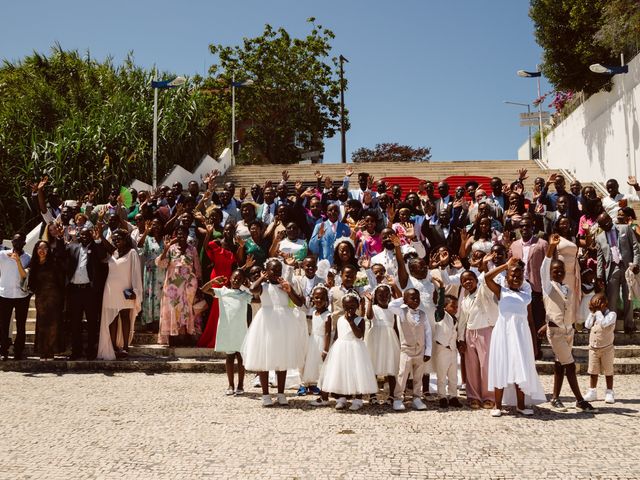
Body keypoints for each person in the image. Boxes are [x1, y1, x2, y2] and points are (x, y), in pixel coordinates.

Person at [540, 234, 596, 412]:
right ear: (550, 273)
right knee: (570, 365)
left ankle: (555, 398)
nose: (558, 273)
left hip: (567, 330)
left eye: (561, 271)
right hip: (556, 332)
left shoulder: (567, 288)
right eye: (555, 271)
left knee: (560, 363)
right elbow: (545, 266)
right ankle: (580, 399)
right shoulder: (548, 286)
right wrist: (551, 247)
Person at [485, 257, 546, 417]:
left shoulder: (527, 295)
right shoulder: (501, 291)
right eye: (512, 275)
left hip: (521, 335)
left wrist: (534, 344)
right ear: (507, 277)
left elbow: (531, 320)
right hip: (503, 333)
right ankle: (497, 405)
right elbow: (487, 278)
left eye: (519, 276)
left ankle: (521, 405)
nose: (516, 278)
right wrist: (506, 265)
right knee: (501, 365)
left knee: (521, 368)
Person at [242, 258, 305, 407]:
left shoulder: (285, 286)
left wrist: (289, 290)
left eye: (278, 270)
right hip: (266, 325)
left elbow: (300, 302)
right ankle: (265, 394)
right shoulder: (263, 286)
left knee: (281, 359)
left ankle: (281, 394)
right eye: (272, 270)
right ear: (267, 271)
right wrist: (262, 277)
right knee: (264, 359)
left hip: (283, 324)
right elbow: (252, 289)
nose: (276, 273)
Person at [317, 292, 378, 411]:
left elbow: (359, 335)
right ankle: (342, 398)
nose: (349, 309)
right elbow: (337, 336)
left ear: (357, 306)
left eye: (352, 306)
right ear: (343, 306)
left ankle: (358, 399)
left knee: (357, 373)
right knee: (342, 373)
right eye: (346, 306)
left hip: (355, 349)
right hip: (341, 349)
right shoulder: (340, 319)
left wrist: (351, 322)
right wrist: (332, 350)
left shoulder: (359, 320)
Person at [202, 269, 252, 396]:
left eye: (239, 279)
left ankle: (241, 384)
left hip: (240, 330)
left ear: (243, 281)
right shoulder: (223, 291)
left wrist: (248, 286)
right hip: (228, 329)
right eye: (234, 278)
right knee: (229, 357)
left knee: (241, 358)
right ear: (230, 278)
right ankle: (231, 384)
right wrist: (213, 282)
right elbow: (204, 289)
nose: (236, 280)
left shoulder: (245, 294)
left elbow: (256, 296)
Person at [97, 229, 142, 360]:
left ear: (125, 239)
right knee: (112, 318)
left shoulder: (132, 253)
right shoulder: (113, 252)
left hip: (126, 290)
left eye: (119, 239)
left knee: (125, 317)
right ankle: (113, 347)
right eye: (114, 239)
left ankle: (126, 347)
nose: (116, 241)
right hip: (110, 289)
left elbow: (136, 272)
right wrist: (100, 236)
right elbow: (104, 246)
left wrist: (136, 290)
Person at [64, 226, 108, 360]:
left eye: (87, 235)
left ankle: (90, 351)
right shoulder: (73, 247)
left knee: (92, 323)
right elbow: (60, 253)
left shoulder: (95, 247)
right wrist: (61, 238)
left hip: (90, 291)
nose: (84, 237)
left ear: (91, 236)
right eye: (82, 235)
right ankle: (76, 351)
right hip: (75, 290)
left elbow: (102, 256)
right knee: (75, 323)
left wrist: (97, 241)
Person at [388, 288, 435, 411]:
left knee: (418, 375)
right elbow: (391, 305)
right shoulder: (402, 312)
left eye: (417, 298)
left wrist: (428, 351)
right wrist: (402, 299)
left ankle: (416, 398)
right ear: (406, 300)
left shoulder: (422, 314)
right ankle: (398, 398)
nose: (415, 300)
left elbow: (428, 333)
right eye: (412, 298)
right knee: (402, 374)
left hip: (420, 349)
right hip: (406, 350)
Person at [156, 225, 202, 345]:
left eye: (183, 233)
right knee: (173, 310)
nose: (181, 236)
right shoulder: (171, 249)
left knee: (186, 310)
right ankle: (173, 338)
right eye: (178, 233)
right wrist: (165, 249)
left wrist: (198, 285)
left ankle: (185, 337)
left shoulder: (192, 249)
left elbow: (197, 268)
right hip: (173, 287)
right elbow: (161, 264)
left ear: (187, 235)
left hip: (189, 286)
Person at [595, 212, 640, 333]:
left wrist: (635, 264)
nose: (608, 224)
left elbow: (636, 247)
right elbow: (600, 259)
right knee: (612, 299)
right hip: (612, 269)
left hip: (627, 268)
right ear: (600, 226)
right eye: (604, 224)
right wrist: (599, 276)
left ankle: (629, 325)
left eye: (608, 221)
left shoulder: (625, 228)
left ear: (610, 218)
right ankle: (611, 327)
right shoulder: (599, 238)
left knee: (628, 297)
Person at [198, 223, 240, 348]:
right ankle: (213, 339)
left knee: (225, 310)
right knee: (217, 309)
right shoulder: (217, 242)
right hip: (216, 279)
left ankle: (222, 337)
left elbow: (236, 263)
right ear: (224, 230)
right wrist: (208, 234)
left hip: (228, 280)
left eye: (231, 230)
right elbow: (205, 248)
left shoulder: (234, 246)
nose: (228, 231)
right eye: (227, 229)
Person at [458, 270, 496, 409]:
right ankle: (473, 396)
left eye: (470, 279)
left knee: (485, 366)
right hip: (469, 333)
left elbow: (486, 281)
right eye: (464, 281)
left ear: (476, 280)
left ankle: (489, 396)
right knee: (471, 366)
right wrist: (460, 339)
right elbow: (462, 321)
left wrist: (485, 266)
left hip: (484, 331)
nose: (468, 282)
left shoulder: (482, 292)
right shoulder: (465, 300)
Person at [28, 236, 66, 360]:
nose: (42, 250)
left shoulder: (54, 263)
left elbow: (60, 280)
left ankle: (51, 351)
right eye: (39, 247)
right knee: (42, 325)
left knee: (54, 324)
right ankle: (42, 351)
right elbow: (31, 283)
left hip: (54, 297)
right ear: (36, 250)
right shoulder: (34, 264)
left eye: (45, 247)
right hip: (41, 298)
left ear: (49, 250)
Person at [363, 284, 400, 404]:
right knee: (373, 365)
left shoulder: (392, 309)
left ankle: (392, 395)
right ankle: (373, 394)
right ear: (375, 296)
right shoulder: (373, 308)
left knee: (391, 366)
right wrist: (369, 302)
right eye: (380, 295)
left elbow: (395, 326)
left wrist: (399, 341)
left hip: (389, 338)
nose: (383, 297)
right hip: (375, 338)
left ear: (390, 296)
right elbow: (368, 317)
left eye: (386, 295)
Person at [0, 233, 31, 360]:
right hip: (4, 294)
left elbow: (26, 276)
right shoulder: (2, 255)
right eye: (15, 241)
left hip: (21, 295)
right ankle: (3, 351)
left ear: (24, 242)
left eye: (20, 241)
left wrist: (18, 260)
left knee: (21, 325)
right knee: (3, 325)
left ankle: (19, 351)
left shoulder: (28, 258)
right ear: (11, 242)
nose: (17, 243)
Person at [583, 293, 617, 404]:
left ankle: (609, 391)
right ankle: (592, 391)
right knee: (593, 370)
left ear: (605, 303)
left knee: (608, 370)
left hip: (607, 348)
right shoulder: (595, 314)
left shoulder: (612, 315)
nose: (597, 307)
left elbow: (604, 324)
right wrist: (592, 313)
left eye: (599, 304)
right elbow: (587, 325)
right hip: (593, 348)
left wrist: (598, 313)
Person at [303, 285, 333, 405]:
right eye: (316, 298)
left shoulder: (328, 315)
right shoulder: (314, 312)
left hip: (323, 344)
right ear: (313, 299)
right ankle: (321, 395)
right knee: (317, 370)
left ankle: (325, 397)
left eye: (322, 298)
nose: (319, 300)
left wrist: (325, 350)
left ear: (326, 300)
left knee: (324, 371)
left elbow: (327, 333)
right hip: (314, 343)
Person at [433, 295, 464, 408]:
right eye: (453, 306)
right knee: (441, 375)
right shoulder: (441, 315)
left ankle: (453, 396)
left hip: (452, 349)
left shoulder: (456, 319)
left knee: (453, 375)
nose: (456, 308)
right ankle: (442, 396)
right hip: (442, 349)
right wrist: (441, 289)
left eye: (457, 307)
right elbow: (439, 305)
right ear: (445, 307)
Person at [138, 218, 165, 332]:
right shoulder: (148, 239)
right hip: (150, 271)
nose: (156, 226)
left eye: (158, 224)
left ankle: (159, 322)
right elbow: (139, 246)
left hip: (162, 271)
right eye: (154, 224)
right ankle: (149, 322)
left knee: (160, 295)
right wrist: (145, 231)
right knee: (149, 296)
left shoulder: (165, 239)